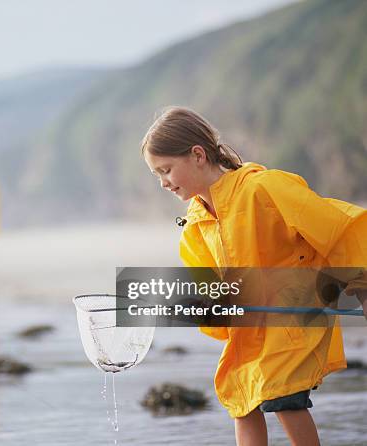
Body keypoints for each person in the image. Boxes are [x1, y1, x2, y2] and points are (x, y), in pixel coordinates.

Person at [141, 106, 367, 446]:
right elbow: (214, 289)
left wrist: (363, 290)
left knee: (282, 395)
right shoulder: (195, 224)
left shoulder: (263, 188)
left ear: (197, 155)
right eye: (157, 175)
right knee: (241, 398)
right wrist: (198, 305)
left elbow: (337, 227)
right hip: (251, 324)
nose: (163, 183)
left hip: (294, 315)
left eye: (166, 170)